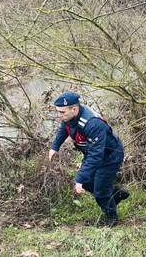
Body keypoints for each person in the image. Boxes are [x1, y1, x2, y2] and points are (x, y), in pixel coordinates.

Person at [49, 91, 127, 228]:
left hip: (110, 155)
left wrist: (79, 178)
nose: (59, 116)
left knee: (100, 190)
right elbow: (64, 130)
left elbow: (96, 157)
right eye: (58, 112)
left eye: (62, 112)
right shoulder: (69, 117)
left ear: (74, 109)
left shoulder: (92, 124)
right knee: (88, 183)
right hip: (94, 153)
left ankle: (112, 217)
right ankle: (117, 193)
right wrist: (55, 147)